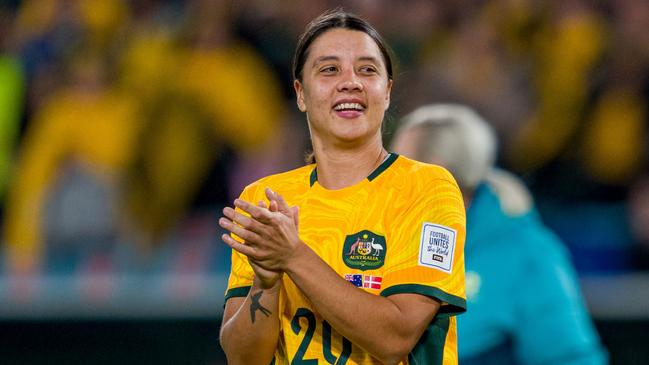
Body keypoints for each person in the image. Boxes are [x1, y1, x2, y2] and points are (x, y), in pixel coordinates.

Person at [218, 10, 467, 365]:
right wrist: (267, 283)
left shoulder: (427, 188)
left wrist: (292, 257)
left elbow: (395, 338)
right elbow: (243, 359)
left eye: (367, 70)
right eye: (329, 69)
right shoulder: (264, 201)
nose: (350, 82)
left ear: (387, 92)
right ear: (301, 94)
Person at [391, 103, 608, 365]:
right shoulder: (388, 240)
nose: (387, 176)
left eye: (398, 165)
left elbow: (572, 359)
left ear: (435, 173)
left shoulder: (528, 253)